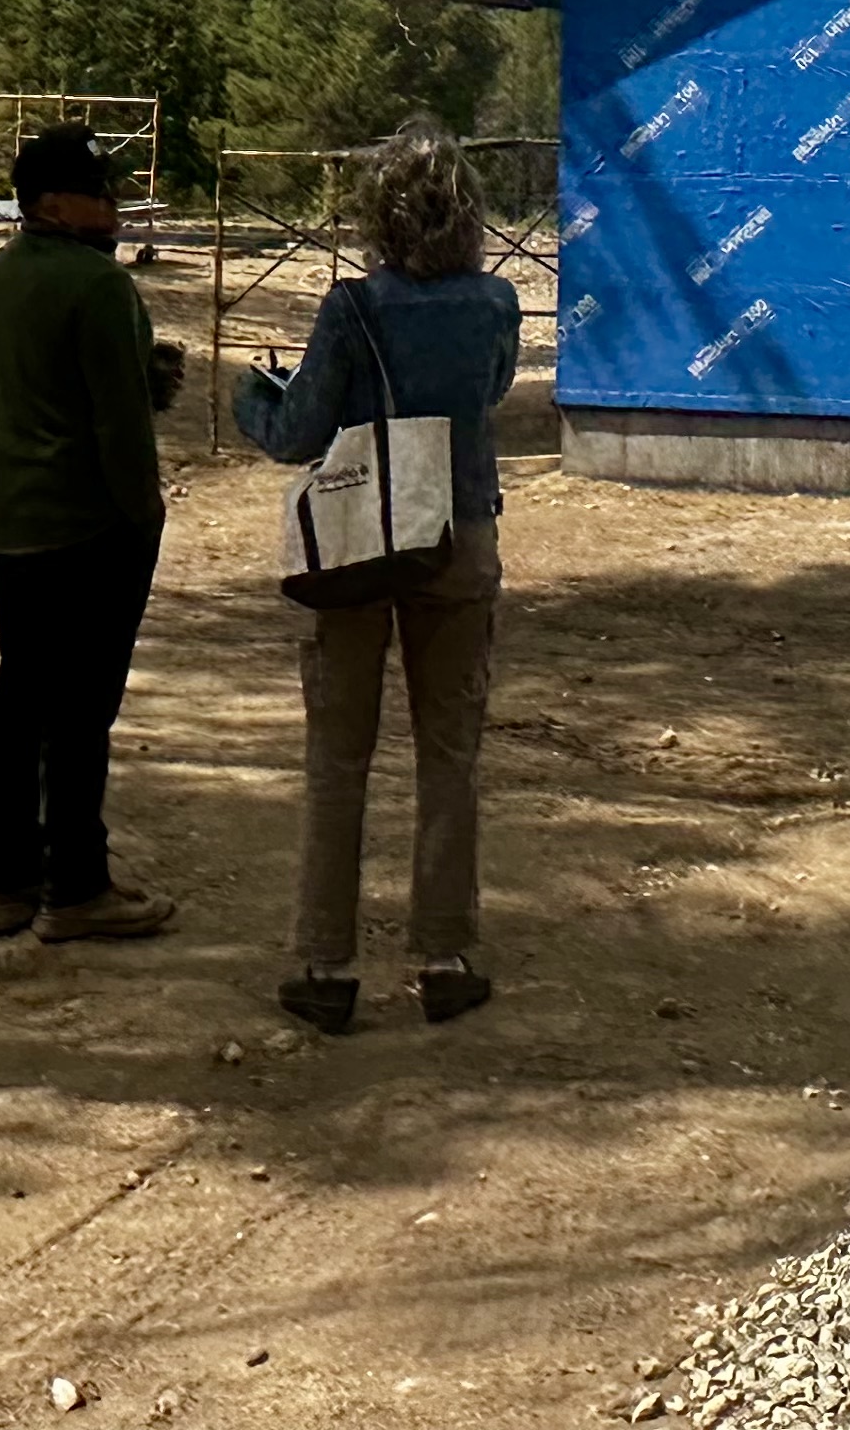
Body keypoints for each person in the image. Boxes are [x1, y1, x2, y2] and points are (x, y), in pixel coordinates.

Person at [236, 119, 520, 1033]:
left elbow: (297, 436)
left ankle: (325, 962)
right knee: (449, 753)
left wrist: (254, 396)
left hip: (358, 542)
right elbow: (491, 394)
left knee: (339, 757)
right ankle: (444, 954)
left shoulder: (350, 308)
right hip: (458, 535)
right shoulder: (495, 305)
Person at [0, 124, 179, 944]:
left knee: (20, 701)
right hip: (92, 525)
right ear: (52, 203)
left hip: (16, 520)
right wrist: (145, 517)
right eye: (98, 193)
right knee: (82, 713)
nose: (112, 206)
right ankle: (78, 886)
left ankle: (9, 878)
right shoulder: (99, 287)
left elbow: (26, 393)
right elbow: (118, 426)